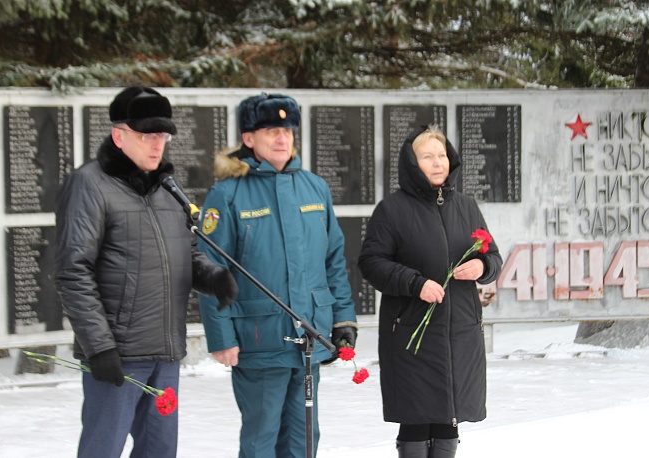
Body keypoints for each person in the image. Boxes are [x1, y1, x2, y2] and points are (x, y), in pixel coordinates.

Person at [55, 86, 238, 458]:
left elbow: (186, 254)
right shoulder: (90, 184)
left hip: (165, 352)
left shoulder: (167, 188)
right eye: (147, 135)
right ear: (119, 135)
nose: (157, 145)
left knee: (159, 451)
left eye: (163, 136)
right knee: (102, 449)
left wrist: (212, 277)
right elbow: (73, 270)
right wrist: (100, 345)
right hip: (117, 354)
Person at [197, 93, 358, 458]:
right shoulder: (227, 194)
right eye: (271, 130)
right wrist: (221, 337)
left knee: (303, 440)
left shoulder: (315, 187)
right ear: (249, 138)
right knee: (261, 441)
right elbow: (209, 270)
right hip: (259, 340)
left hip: (309, 339)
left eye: (287, 129)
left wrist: (343, 319)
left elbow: (333, 260)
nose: (282, 138)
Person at [358, 124, 503, 458]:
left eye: (441, 155)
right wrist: (415, 283)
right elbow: (371, 262)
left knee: (448, 413)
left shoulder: (466, 206)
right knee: (416, 415)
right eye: (427, 157)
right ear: (412, 163)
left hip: (459, 331)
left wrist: (482, 268)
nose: (438, 163)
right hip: (412, 334)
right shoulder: (392, 209)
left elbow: (492, 255)